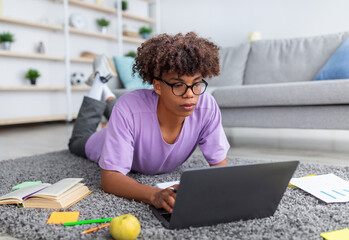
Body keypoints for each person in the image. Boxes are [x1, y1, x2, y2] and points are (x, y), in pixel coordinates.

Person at [68, 32, 230, 213]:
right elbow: (110, 178)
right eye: (178, 85)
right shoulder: (128, 108)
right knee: (77, 140)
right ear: (158, 86)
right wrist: (154, 195)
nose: (190, 94)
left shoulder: (206, 107)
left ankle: (106, 92)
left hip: (133, 116)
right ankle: (99, 83)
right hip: (103, 140)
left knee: (126, 111)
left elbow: (220, 168)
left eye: (197, 84)